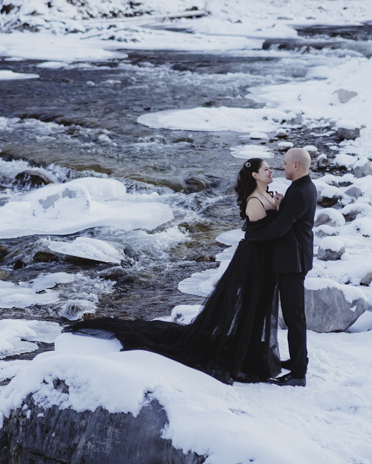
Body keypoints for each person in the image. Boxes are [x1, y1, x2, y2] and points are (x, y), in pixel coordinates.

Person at [64, 157, 282, 383]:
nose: (271, 171)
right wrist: (279, 211)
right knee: (249, 305)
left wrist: (276, 207)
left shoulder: (267, 194)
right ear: (255, 175)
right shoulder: (255, 201)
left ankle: (249, 351)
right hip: (253, 259)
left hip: (262, 259)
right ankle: (241, 357)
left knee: (257, 306)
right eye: (266, 169)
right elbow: (261, 234)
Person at [242, 146, 316, 386]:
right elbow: (289, 220)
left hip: (292, 262)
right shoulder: (301, 187)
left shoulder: (300, 192)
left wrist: (251, 236)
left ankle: (298, 373)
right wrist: (280, 207)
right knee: (295, 316)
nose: (281, 166)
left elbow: (280, 228)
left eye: (284, 163)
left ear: (296, 165)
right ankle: (296, 362)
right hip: (293, 258)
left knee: (295, 317)